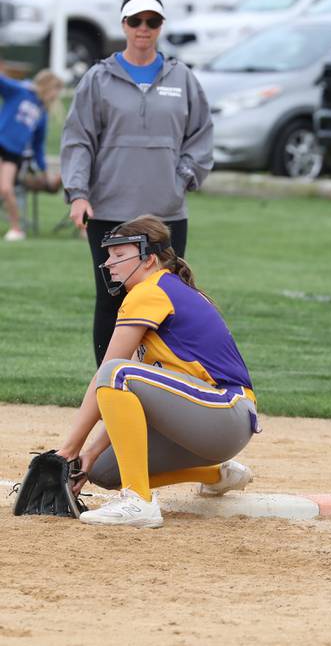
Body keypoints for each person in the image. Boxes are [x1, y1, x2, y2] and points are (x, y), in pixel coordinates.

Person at [56, 214, 259, 528]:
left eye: (119, 255)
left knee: (116, 372)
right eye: (109, 255)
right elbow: (128, 398)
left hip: (223, 411)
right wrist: (89, 454)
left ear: (149, 259)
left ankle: (139, 501)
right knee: (104, 471)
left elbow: (109, 375)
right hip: (207, 421)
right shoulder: (165, 287)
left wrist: (67, 450)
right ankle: (219, 474)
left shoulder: (149, 291)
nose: (109, 263)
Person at [60, 0, 213, 366]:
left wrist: (183, 177)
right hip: (110, 210)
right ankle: (109, 384)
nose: (143, 29)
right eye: (136, 21)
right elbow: (78, 138)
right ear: (123, 25)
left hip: (167, 214)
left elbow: (201, 135)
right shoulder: (97, 79)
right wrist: (78, 193)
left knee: (165, 300)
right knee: (112, 299)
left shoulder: (183, 78)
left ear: (161, 27)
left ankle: (161, 384)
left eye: (152, 22)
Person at [0, 69, 63, 241]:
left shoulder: (41, 113)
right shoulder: (20, 91)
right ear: (47, 86)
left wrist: (43, 170)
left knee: (5, 188)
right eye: (55, 91)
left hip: (14, 153)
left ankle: (16, 229)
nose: (55, 96)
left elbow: (38, 145)